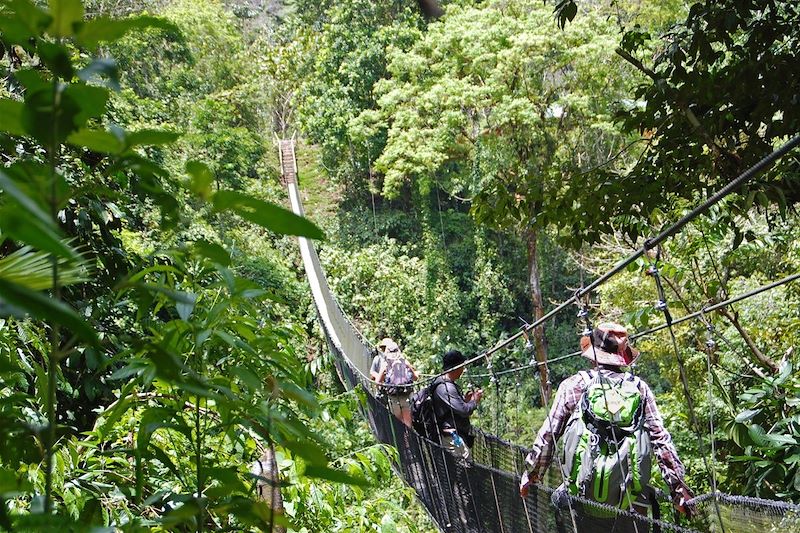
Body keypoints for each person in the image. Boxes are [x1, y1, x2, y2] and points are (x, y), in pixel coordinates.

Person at [519, 322, 695, 531]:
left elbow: (550, 434)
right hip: (630, 503)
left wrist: (532, 473)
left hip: (585, 502)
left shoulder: (575, 385)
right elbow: (660, 439)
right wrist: (678, 489)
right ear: (623, 355)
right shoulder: (639, 389)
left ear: (593, 354)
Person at [432, 349, 483, 460]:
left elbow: (455, 409)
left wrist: (466, 400)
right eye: (462, 366)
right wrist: (474, 400)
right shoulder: (446, 388)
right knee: (463, 466)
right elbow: (464, 411)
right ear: (456, 367)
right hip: (452, 436)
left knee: (462, 467)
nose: (463, 370)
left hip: (455, 434)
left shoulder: (446, 384)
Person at [372, 337, 419, 426]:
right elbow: (415, 378)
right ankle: (408, 439)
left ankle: (401, 439)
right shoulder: (405, 362)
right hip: (407, 396)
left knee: (398, 425)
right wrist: (416, 373)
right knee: (408, 426)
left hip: (393, 398)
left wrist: (385, 384)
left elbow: (377, 383)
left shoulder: (385, 364)